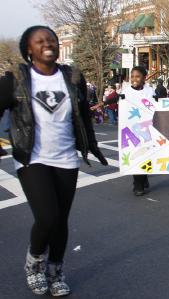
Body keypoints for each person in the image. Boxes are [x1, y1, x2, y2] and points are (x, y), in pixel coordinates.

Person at [0, 26, 108, 296]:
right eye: (40, 41)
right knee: (47, 218)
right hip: (32, 158)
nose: (47, 44)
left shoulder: (72, 77)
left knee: (61, 222)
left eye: (52, 40)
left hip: (66, 159)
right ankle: (34, 263)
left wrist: (91, 145)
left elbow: (82, 114)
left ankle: (56, 270)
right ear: (29, 48)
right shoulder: (16, 79)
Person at [121, 66, 155, 196]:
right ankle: (138, 184)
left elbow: (156, 104)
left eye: (137, 76)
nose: (134, 79)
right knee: (136, 155)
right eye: (132, 76)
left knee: (147, 154)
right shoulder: (126, 91)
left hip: (148, 128)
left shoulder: (150, 90)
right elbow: (118, 101)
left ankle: (144, 177)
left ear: (144, 78)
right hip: (132, 129)